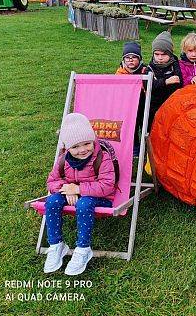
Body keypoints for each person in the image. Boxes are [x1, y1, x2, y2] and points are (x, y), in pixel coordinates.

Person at [44, 113, 117, 276]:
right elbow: (51, 182)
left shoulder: (102, 158)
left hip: (100, 199)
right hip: (71, 193)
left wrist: (78, 189)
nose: (83, 149)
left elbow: (107, 186)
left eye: (87, 143)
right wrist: (67, 187)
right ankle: (56, 245)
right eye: (76, 147)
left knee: (84, 203)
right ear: (67, 148)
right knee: (52, 201)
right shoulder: (63, 160)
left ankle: (83, 249)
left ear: (93, 140)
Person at [115, 42, 148, 156]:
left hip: (143, 104)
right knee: (131, 128)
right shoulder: (120, 73)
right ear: (123, 59)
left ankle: (147, 148)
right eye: (127, 57)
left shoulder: (145, 71)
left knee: (145, 127)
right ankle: (135, 149)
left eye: (134, 57)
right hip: (128, 107)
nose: (130, 60)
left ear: (139, 59)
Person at [147, 31, 183, 128]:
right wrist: (166, 81)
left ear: (170, 54)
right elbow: (149, 85)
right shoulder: (150, 68)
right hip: (154, 106)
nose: (160, 58)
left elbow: (179, 82)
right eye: (157, 54)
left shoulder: (175, 65)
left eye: (163, 55)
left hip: (171, 102)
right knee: (153, 126)